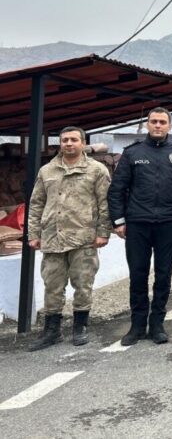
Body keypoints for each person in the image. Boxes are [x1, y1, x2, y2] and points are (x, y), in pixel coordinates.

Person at [108, 107, 172, 346]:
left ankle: (157, 324)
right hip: (137, 224)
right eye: (154, 121)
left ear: (169, 126)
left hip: (169, 224)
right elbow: (117, 190)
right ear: (148, 124)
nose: (158, 125)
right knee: (138, 276)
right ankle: (137, 326)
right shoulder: (132, 153)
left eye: (162, 122)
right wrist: (118, 221)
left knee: (164, 276)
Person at [27, 126, 111, 350]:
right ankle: (51, 330)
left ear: (83, 143)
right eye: (65, 140)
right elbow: (36, 204)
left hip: (83, 237)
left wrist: (103, 232)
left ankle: (80, 326)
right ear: (60, 143)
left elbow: (105, 204)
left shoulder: (97, 170)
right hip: (53, 238)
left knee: (83, 284)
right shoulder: (47, 171)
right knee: (52, 285)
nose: (69, 144)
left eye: (74, 139)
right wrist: (33, 234)